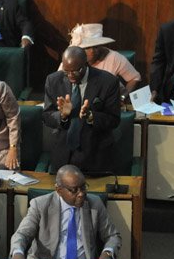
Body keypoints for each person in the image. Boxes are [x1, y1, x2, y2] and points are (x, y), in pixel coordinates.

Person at [7, 164, 121, 259]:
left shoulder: (94, 204)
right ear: (59, 190)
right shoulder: (40, 205)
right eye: (74, 190)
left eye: (83, 187)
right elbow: (22, 234)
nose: (81, 194)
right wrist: (18, 253)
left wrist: (108, 253)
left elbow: (113, 236)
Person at [43, 46, 120, 174]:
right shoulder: (53, 80)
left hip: (95, 155)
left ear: (86, 64)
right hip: (62, 155)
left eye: (75, 71)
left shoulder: (108, 82)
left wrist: (91, 116)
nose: (70, 76)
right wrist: (62, 116)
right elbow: (46, 116)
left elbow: (114, 120)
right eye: (66, 71)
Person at [59, 23, 141, 96]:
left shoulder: (114, 57)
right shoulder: (71, 59)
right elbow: (58, 81)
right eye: (87, 48)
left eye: (96, 46)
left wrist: (123, 97)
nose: (93, 51)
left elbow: (134, 78)